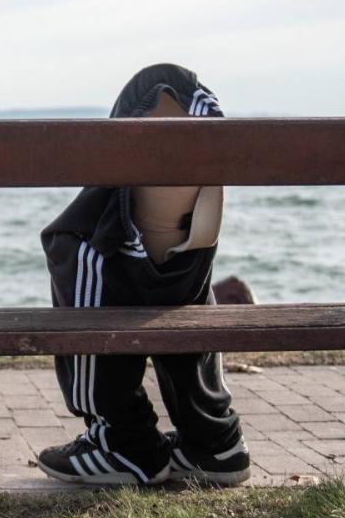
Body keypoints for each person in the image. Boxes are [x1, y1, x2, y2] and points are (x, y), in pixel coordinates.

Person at [35, 63, 250, 486]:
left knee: (75, 248)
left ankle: (122, 443)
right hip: (192, 244)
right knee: (183, 293)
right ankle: (214, 442)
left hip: (120, 249)